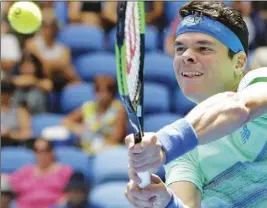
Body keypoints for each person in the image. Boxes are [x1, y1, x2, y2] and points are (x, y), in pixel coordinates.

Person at [124, 1, 267, 208]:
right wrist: (165, 202)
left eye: (203, 48)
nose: (186, 56)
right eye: (180, 48)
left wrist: (166, 143)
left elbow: (237, 107)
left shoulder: (259, 81)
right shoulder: (184, 153)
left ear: (239, 62)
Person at [63, 75, 127, 154]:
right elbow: (66, 121)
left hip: (107, 149)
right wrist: (77, 128)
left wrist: (100, 147)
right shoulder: (88, 106)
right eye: (97, 90)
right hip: (84, 148)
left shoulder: (118, 109)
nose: (101, 94)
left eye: (104, 91)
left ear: (112, 93)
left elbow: (116, 137)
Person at [8, 138, 73, 208]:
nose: (41, 154)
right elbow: (10, 185)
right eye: (37, 150)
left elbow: (73, 192)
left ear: (52, 151)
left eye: (45, 150)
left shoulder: (65, 171)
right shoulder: (25, 171)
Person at [1, 78, 33, 146]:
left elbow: (27, 133)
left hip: (13, 144)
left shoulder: (20, 111)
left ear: (11, 93)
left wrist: (10, 134)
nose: (2, 94)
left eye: (4, 91)